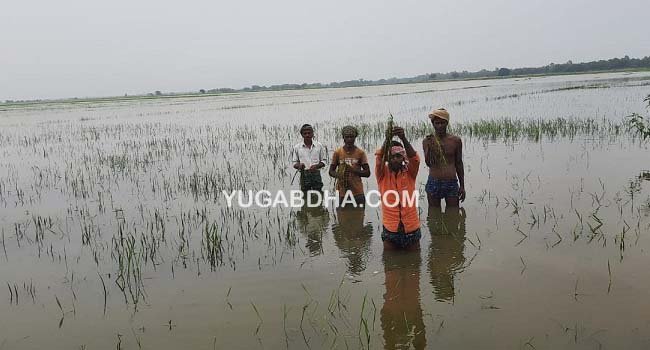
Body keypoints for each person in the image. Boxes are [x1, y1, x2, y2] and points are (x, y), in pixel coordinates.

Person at [375, 126, 421, 250]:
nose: (395, 159)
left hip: (411, 226)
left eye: (398, 156)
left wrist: (403, 138)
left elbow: (415, 159)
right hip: (391, 229)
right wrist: (387, 138)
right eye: (392, 156)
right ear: (388, 158)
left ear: (403, 157)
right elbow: (379, 158)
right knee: (390, 264)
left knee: (414, 265)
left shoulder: (410, 172)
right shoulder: (382, 174)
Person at [422, 108, 466, 207]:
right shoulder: (427, 141)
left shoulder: (455, 141)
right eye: (437, 123)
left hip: (451, 182)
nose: (440, 126)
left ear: (447, 123)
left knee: (453, 217)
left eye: (442, 123)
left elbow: (459, 163)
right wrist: (431, 148)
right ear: (433, 124)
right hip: (434, 182)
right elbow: (428, 163)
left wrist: (462, 186)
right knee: (434, 216)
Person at [329, 125, 370, 207]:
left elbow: (367, 173)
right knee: (341, 217)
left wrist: (353, 170)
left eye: (352, 137)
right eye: (347, 137)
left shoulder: (360, 153)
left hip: (357, 192)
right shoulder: (338, 153)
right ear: (343, 138)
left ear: (355, 137)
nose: (349, 139)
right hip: (341, 193)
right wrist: (339, 175)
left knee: (359, 217)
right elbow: (331, 171)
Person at [291, 124, 327, 192]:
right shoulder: (297, 147)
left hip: (316, 174)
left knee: (318, 194)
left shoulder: (319, 146)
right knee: (305, 194)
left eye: (309, 133)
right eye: (305, 133)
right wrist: (299, 165)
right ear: (302, 135)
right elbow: (294, 163)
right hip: (304, 175)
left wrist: (316, 166)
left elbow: (324, 161)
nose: (307, 135)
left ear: (312, 134)